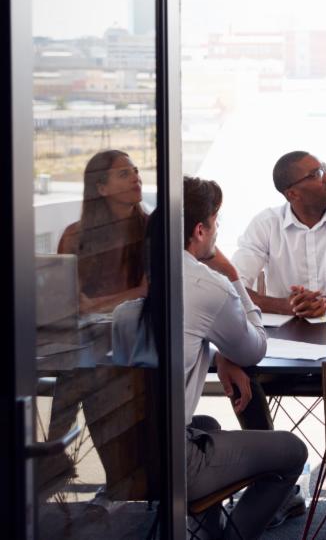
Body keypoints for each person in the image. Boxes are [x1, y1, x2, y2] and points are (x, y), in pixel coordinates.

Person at [112, 177, 308, 539]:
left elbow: (176, 345)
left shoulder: (133, 305)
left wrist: (220, 354)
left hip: (127, 458)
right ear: (200, 230)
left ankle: (209, 534)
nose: (218, 230)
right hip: (175, 459)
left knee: (208, 426)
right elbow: (255, 347)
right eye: (216, 221)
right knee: (292, 451)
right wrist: (232, 275)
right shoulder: (206, 285)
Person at [224, 151, 326, 318]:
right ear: (293, 194)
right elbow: (231, 289)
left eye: (325, 168)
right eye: (317, 174)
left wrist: (324, 303)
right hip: (284, 334)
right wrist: (285, 306)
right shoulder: (265, 224)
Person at [57, 150, 149, 313]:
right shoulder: (74, 236)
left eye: (136, 171)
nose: (136, 179)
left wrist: (95, 305)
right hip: (90, 330)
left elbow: (148, 289)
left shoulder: (153, 228)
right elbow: (66, 297)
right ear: (102, 189)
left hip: (135, 327)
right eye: (124, 174)